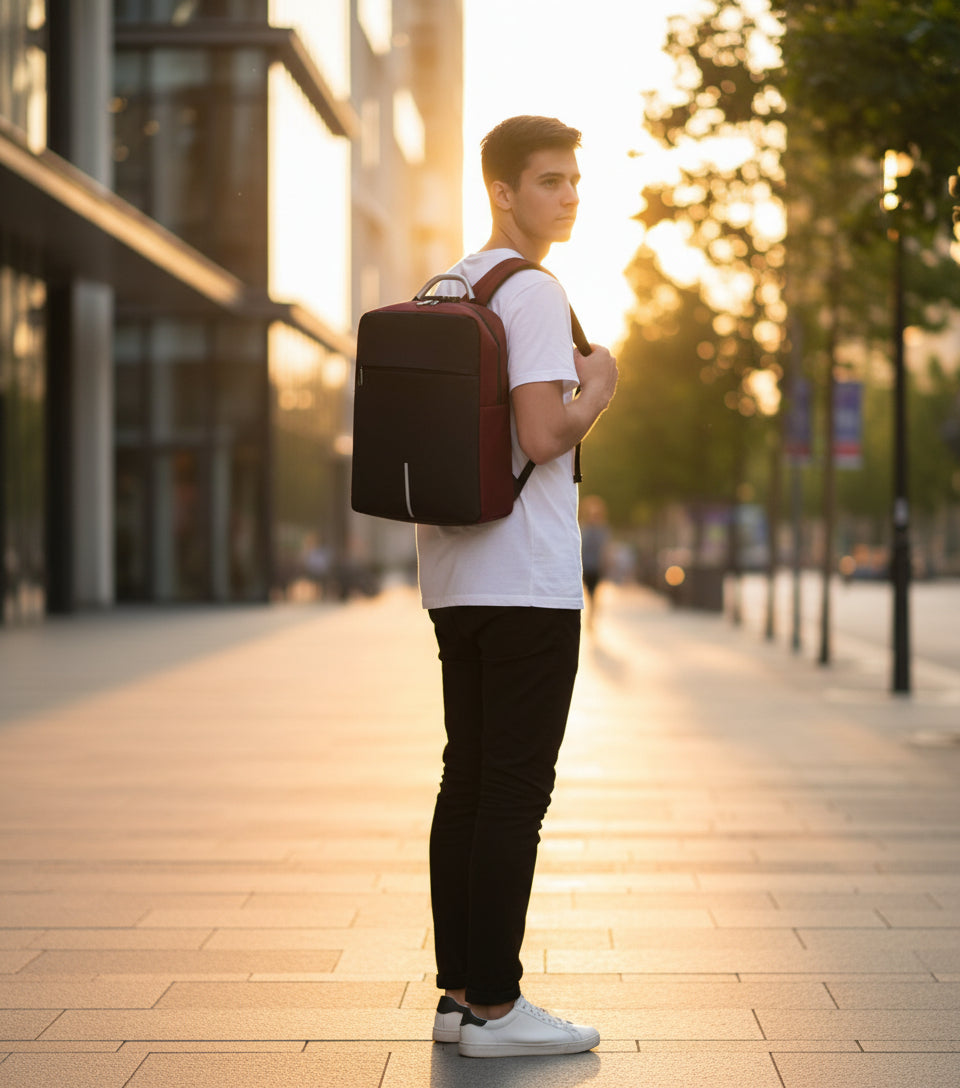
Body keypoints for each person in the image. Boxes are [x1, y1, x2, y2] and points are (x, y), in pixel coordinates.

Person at [417, 115, 619, 1058]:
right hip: (529, 581)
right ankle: (498, 1004)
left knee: (467, 778)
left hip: (454, 575)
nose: (569, 195)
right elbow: (543, 434)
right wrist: (600, 392)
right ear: (502, 191)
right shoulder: (532, 290)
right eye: (548, 180)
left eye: (574, 179)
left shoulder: (448, 283)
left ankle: (459, 994)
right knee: (512, 790)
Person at [580, 494, 610, 632]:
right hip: (585, 567)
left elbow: (605, 549)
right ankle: (589, 617)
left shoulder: (602, 531)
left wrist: (606, 564)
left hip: (596, 567)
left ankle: (591, 617)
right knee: (587, 593)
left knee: (594, 594)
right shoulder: (583, 529)